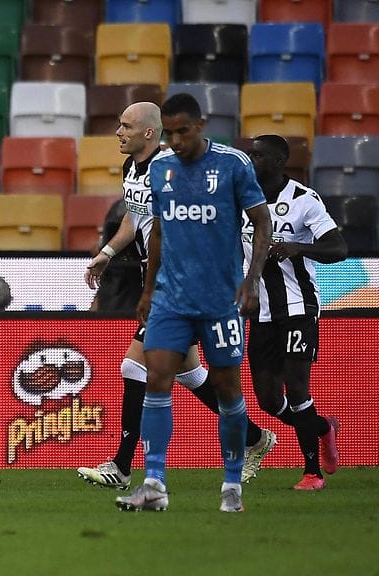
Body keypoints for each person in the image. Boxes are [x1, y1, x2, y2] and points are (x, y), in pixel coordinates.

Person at [79, 102, 275, 492]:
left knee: (134, 367)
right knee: (191, 374)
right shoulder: (133, 168)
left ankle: (122, 466)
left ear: (149, 133)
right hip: (162, 281)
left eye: (126, 126)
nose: (118, 132)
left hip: (186, 284)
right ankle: (254, 437)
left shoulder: (175, 169)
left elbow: (189, 223)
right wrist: (107, 253)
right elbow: (135, 218)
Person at [244, 134, 346, 491]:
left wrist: (298, 247)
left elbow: (338, 248)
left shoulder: (304, 199)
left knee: (298, 388)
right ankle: (323, 428)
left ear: (277, 162)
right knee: (268, 400)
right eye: (249, 154)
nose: (251, 160)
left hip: (298, 307)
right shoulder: (241, 198)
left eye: (258, 155)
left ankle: (312, 473)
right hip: (260, 311)